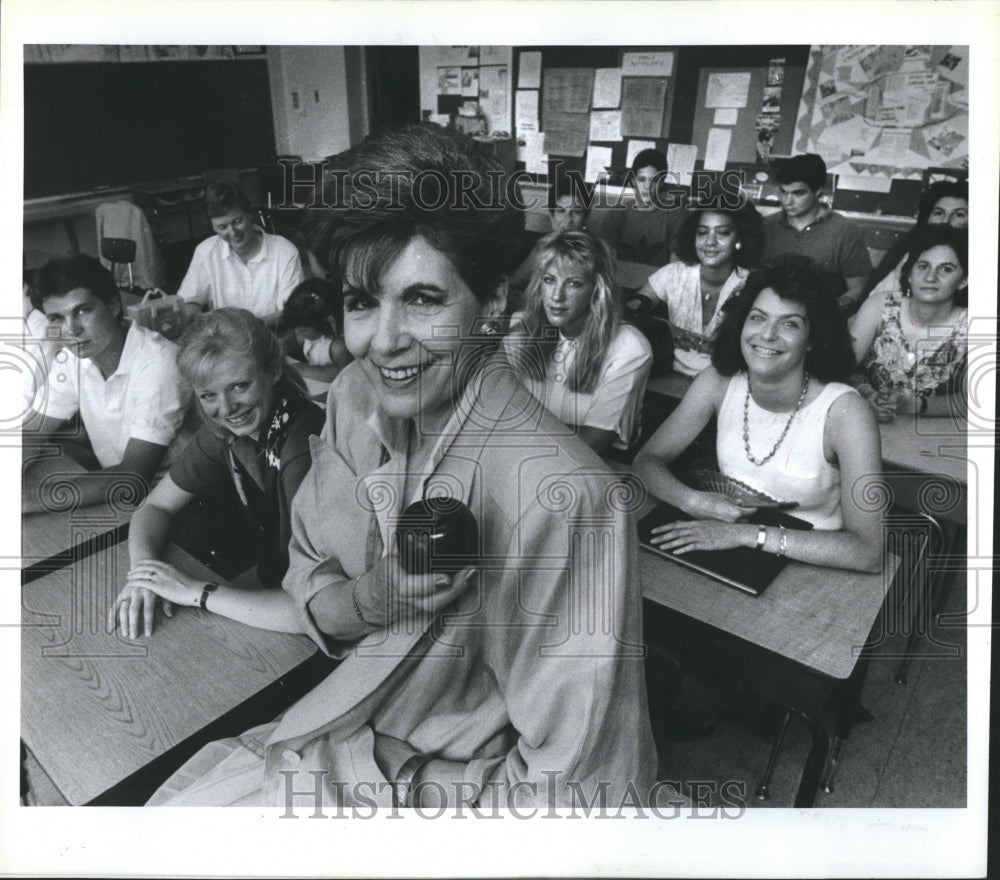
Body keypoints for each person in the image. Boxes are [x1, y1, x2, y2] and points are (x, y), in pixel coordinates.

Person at [145, 122, 655, 810]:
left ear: (495, 301)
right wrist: (371, 599)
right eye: (361, 303)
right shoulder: (357, 397)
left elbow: (582, 793)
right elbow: (307, 564)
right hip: (341, 731)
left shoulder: (566, 497)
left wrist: (403, 774)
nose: (383, 342)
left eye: (421, 298)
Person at [633, 255, 882, 572]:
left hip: (815, 565)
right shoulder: (717, 382)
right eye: (758, 318)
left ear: (813, 340)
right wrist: (691, 501)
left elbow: (868, 552)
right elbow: (646, 461)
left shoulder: (847, 412)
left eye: (790, 323)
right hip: (732, 549)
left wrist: (745, 534)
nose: (767, 334)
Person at [110, 308, 326, 639]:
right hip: (275, 592)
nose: (225, 409)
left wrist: (197, 592)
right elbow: (154, 507)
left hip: (308, 614)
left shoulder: (302, 449)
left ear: (273, 371)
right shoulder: (223, 431)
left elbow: (312, 608)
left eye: (239, 386)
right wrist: (144, 576)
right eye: (208, 395)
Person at [23, 255, 187, 512]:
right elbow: (32, 431)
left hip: (171, 506)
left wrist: (28, 499)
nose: (72, 330)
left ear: (112, 306)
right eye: (57, 318)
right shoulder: (72, 356)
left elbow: (133, 476)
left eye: (83, 311)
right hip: (116, 495)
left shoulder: (159, 362)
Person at [505, 230, 652, 454]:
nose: (556, 296)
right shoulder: (521, 327)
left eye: (573, 284)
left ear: (597, 289)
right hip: (515, 455)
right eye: (549, 280)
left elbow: (591, 442)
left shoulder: (630, 348)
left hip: (588, 468)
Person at [631, 199, 764, 377]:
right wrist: (663, 327)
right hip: (668, 377)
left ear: (739, 239)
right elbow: (626, 311)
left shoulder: (754, 285)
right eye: (702, 232)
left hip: (728, 382)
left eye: (723, 233)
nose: (710, 242)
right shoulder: (674, 274)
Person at [849, 225, 968, 422]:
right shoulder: (880, 306)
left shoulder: (971, 326)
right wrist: (867, 396)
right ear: (910, 274)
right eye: (923, 266)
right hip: (867, 424)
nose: (930, 277)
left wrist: (913, 404)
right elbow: (838, 370)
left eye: (946, 269)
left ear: (963, 281)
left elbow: (978, 402)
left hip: (932, 438)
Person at [177, 182, 304, 326]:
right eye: (222, 227)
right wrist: (194, 314)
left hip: (273, 338)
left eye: (237, 221)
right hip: (224, 341)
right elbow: (189, 301)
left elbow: (290, 313)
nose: (233, 232)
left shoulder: (284, 251)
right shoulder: (206, 251)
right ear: (213, 227)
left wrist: (240, 329)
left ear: (250, 215)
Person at [762, 153, 872, 312]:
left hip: (820, 319)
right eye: (783, 192)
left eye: (798, 193)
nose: (787, 201)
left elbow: (857, 289)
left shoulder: (846, 231)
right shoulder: (765, 226)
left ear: (818, 191)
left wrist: (830, 313)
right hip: (769, 311)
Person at [862, 179, 968, 301]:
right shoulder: (909, 250)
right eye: (938, 213)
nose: (945, 221)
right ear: (927, 218)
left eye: (959, 215)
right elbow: (884, 300)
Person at [600, 148, 687, 265]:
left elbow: (676, 266)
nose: (647, 186)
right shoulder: (617, 212)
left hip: (660, 281)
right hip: (622, 280)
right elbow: (607, 259)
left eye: (654, 180)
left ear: (662, 182)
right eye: (641, 179)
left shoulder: (675, 214)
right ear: (633, 180)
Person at [507, 180, 592, 300]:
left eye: (576, 212)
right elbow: (512, 284)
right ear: (552, 215)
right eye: (561, 211)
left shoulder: (595, 250)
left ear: (585, 217)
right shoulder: (543, 246)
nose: (567, 220)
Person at [279, 277, 353, 385]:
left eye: (303, 330)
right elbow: (293, 342)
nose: (297, 332)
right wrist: (281, 347)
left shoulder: (338, 347)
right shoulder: (307, 335)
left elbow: (343, 373)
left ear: (327, 323)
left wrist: (304, 369)